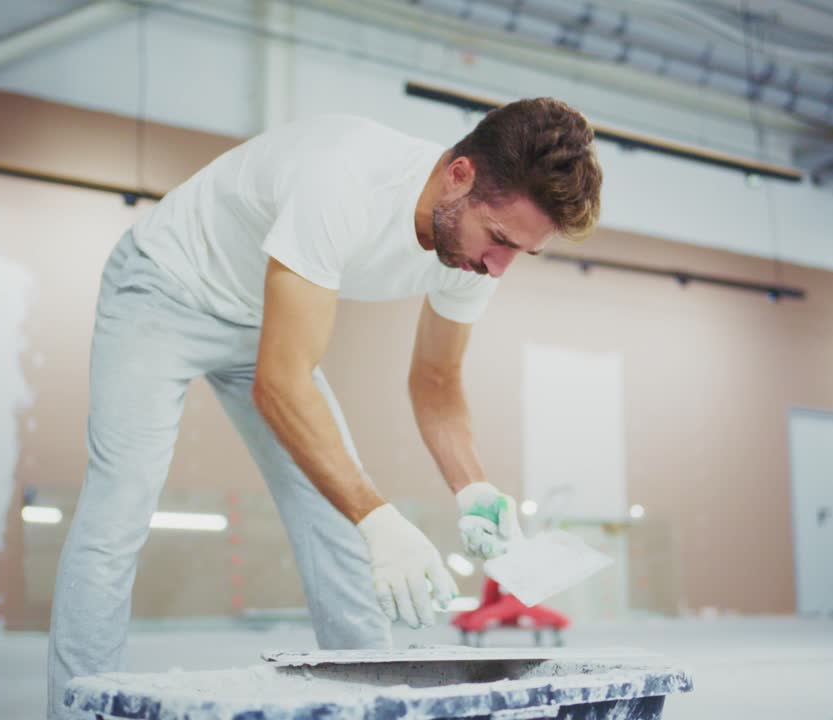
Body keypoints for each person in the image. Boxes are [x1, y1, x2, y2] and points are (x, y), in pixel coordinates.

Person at [46, 97, 603, 717]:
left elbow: (437, 381)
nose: (496, 269)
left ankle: (373, 707)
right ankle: (75, 713)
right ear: (460, 175)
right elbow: (279, 385)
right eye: (498, 239)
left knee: (342, 526)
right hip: (163, 288)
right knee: (119, 509)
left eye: (520, 252)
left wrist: (472, 488)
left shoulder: (473, 254)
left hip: (262, 319)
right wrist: (378, 517)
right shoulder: (344, 178)